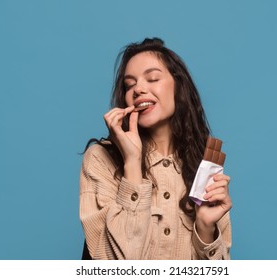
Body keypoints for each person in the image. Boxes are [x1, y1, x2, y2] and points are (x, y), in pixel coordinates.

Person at [79, 37, 232, 260]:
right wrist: (132, 163)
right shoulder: (100, 159)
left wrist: (205, 229)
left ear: (179, 86)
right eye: (129, 85)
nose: (138, 89)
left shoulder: (204, 168)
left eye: (152, 78)